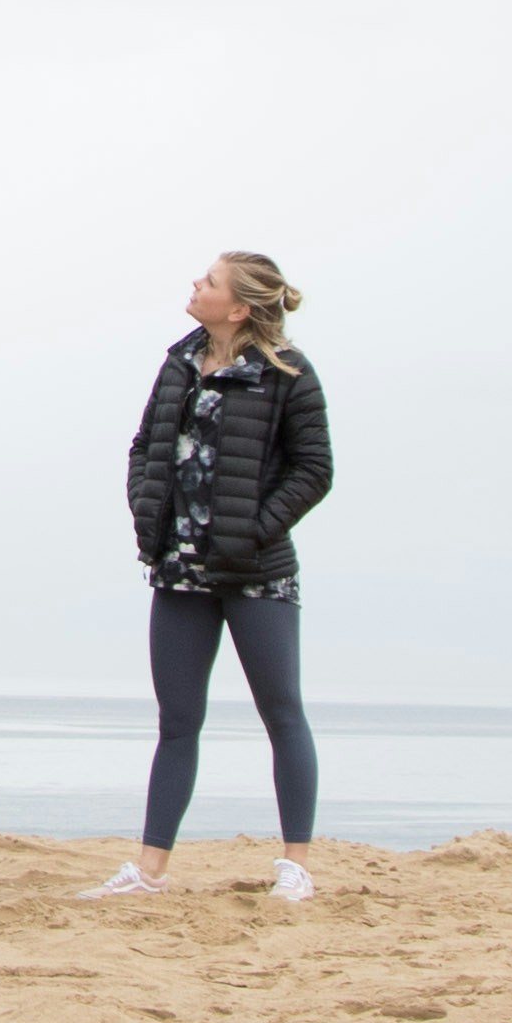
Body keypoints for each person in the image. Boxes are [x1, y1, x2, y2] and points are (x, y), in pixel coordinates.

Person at [87, 252, 338, 903]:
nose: (195, 286)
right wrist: (149, 516)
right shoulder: (178, 363)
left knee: (282, 714)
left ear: (240, 308)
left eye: (209, 281)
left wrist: (253, 528)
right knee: (177, 723)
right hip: (179, 572)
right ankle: (147, 871)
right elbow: (145, 445)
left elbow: (315, 471)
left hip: (258, 576)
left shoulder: (289, 374)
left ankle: (296, 868)